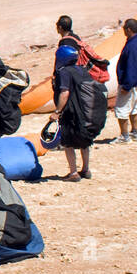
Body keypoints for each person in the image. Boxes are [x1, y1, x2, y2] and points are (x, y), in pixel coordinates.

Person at [53, 44, 94, 180]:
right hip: (85, 110)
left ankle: (73, 172)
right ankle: (86, 169)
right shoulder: (82, 70)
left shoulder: (64, 72)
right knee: (85, 140)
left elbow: (64, 93)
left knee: (68, 142)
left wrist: (57, 111)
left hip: (71, 111)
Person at [115, 18, 137, 143]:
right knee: (134, 107)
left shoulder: (132, 46)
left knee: (121, 109)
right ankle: (135, 132)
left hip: (130, 83)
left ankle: (124, 136)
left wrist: (126, 86)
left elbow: (131, 66)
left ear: (129, 30)